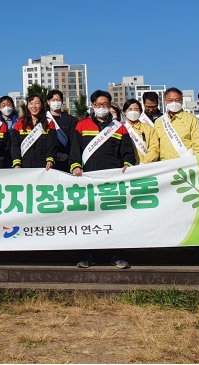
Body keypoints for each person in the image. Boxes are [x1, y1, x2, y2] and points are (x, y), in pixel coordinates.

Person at [70, 90, 134, 269]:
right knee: (88, 218)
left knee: (115, 218)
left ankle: (116, 254)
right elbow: (74, 151)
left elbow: (127, 151)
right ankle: (87, 254)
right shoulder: (81, 125)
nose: (101, 108)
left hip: (112, 180)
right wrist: (75, 165)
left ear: (110, 106)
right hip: (87, 178)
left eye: (105, 105)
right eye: (98, 105)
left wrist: (127, 164)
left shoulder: (119, 127)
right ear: (92, 106)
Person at [153, 87, 199, 160]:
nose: (174, 103)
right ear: (165, 101)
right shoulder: (158, 122)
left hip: (186, 162)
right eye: (170, 100)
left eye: (177, 100)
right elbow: (155, 146)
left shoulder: (192, 119)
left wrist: (197, 162)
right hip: (166, 164)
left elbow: (198, 144)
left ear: (182, 101)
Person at [10, 95, 57, 168]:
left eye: (37, 103)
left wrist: (50, 160)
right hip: (24, 166)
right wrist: (17, 163)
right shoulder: (19, 123)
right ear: (27, 106)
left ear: (41, 105)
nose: (34, 106)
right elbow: (15, 145)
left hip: (44, 166)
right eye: (31, 103)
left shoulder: (49, 123)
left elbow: (52, 144)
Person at [46, 89, 77, 173]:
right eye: (53, 100)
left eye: (58, 100)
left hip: (66, 160)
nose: (56, 102)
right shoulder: (43, 119)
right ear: (48, 102)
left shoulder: (71, 119)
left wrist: (67, 154)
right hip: (47, 161)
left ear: (62, 102)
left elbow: (73, 140)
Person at [122, 99, 159, 163]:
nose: (133, 112)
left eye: (136, 109)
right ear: (124, 112)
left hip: (145, 167)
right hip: (125, 168)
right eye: (130, 109)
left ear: (141, 112)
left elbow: (154, 148)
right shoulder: (120, 128)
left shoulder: (149, 128)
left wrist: (144, 163)